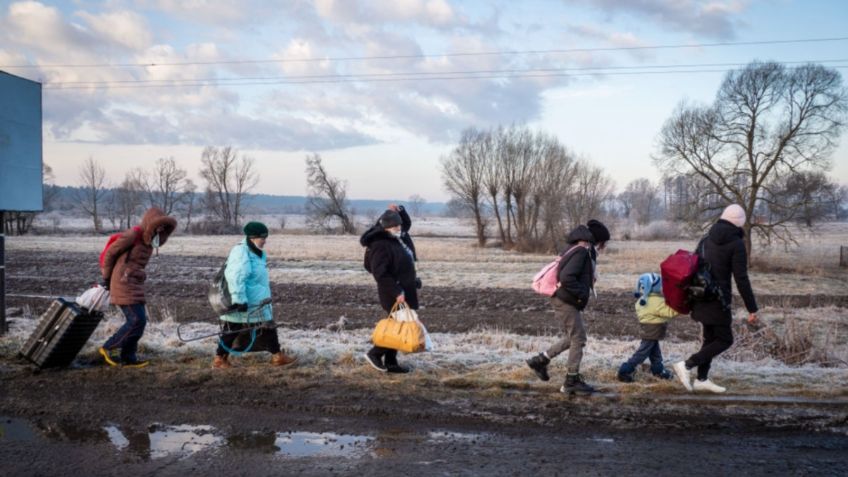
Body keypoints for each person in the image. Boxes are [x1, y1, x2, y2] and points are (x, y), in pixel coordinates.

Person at [673, 204, 758, 393]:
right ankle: (687, 365)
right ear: (739, 224)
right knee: (725, 339)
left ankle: (702, 379)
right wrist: (752, 308)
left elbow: (692, 266)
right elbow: (741, 278)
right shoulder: (736, 244)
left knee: (710, 339)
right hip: (718, 300)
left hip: (700, 295)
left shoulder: (706, 239)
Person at [525, 222, 608, 395]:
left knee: (573, 337)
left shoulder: (578, 248)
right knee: (579, 338)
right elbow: (567, 277)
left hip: (564, 299)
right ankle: (571, 381)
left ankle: (540, 360)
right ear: (597, 240)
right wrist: (581, 295)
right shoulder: (581, 252)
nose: (604, 246)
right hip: (566, 300)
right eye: (603, 242)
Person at [98, 207, 177, 368]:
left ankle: (128, 357)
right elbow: (110, 254)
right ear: (150, 224)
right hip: (122, 282)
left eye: (163, 228)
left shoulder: (149, 242)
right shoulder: (134, 235)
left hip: (134, 282)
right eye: (158, 226)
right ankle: (109, 347)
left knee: (140, 321)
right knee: (136, 319)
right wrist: (106, 278)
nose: (160, 230)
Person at [212, 221, 297, 369]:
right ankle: (220, 359)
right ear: (253, 237)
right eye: (262, 238)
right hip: (245, 301)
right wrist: (239, 300)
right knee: (232, 329)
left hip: (257, 300)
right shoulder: (241, 252)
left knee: (268, 327)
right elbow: (237, 276)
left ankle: (277, 356)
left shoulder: (256, 252)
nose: (265, 241)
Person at [360, 208, 420, 374]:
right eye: (394, 225)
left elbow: (406, 225)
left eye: (398, 225)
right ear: (385, 227)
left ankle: (391, 362)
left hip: (404, 289)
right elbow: (380, 273)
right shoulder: (380, 244)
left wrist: (400, 209)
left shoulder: (397, 239)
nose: (398, 228)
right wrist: (396, 291)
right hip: (393, 293)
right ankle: (374, 354)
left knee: (397, 327)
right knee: (399, 325)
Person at [617, 273, 680, 382]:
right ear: (654, 287)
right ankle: (625, 370)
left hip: (647, 329)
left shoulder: (642, 301)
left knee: (654, 351)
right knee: (642, 353)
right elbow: (670, 312)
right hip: (653, 330)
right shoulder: (657, 302)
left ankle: (658, 370)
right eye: (660, 285)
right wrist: (679, 306)